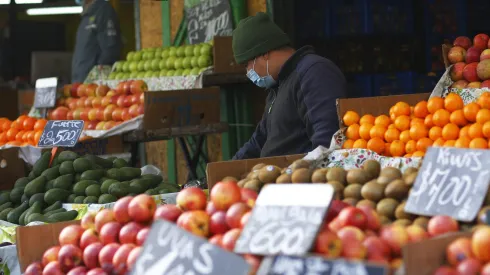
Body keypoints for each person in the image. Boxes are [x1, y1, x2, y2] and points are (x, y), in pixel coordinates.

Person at [231, 12, 347, 160]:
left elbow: (327, 141)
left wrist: (298, 174)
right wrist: (222, 171)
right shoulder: (278, 86)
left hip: (299, 178)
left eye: (246, 65)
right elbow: (259, 140)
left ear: (264, 53)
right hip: (275, 178)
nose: (248, 72)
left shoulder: (314, 72)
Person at [71, 0, 122, 83]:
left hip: (93, 86)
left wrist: (95, 79)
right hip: (80, 83)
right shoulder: (86, 16)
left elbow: (110, 49)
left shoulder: (103, 11)